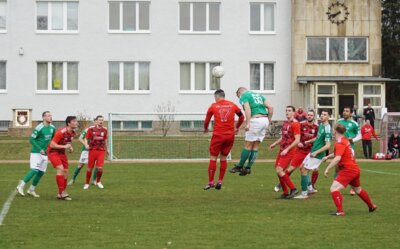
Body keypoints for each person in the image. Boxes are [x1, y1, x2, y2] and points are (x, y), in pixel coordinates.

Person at [323, 123, 377, 216]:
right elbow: (338, 153)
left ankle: (340, 211)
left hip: (348, 170)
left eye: (333, 129)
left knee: (334, 189)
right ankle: (371, 206)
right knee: (358, 190)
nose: (332, 131)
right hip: (355, 169)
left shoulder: (340, 143)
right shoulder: (344, 140)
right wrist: (327, 156)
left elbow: (337, 158)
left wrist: (327, 168)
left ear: (335, 131)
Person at [203, 89, 244, 190]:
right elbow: (242, 117)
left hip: (218, 135)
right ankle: (220, 181)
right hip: (230, 136)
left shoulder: (213, 106)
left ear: (217, 96)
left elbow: (207, 120)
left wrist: (205, 129)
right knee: (223, 158)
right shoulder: (232, 105)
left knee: (213, 158)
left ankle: (211, 182)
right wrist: (237, 127)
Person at [229, 87, 273, 176]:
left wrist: (248, 123)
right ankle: (248, 167)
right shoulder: (258, 95)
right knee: (255, 145)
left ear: (239, 93)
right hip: (264, 120)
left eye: (237, 96)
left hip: (255, 120)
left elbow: (247, 108)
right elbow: (270, 107)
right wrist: (268, 120)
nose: (238, 98)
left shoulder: (243, 96)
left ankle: (239, 166)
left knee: (248, 144)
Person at [273, 110, 319, 192]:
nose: (309, 116)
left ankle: (311, 187)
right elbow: (296, 135)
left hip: (311, 151)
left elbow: (318, 138)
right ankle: (282, 182)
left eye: (311, 115)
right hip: (300, 150)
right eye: (308, 115)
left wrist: (309, 143)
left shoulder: (317, 127)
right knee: (291, 169)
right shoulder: (301, 124)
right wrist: (299, 142)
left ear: (314, 117)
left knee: (314, 169)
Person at [16, 111, 56, 197]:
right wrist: (40, 149)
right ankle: (21, 185)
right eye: (48, 116)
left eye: (51, 115)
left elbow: (53, 139)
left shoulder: (52, 128)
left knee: (41, 172)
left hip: (45, 154)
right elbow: (31, 140)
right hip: (36, 152)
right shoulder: (39, 127)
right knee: (35, 169)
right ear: (44, 118)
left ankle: (31, 190)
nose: (50, 117)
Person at [294, 109, 331, 199]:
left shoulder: (327, 128)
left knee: (304, 170)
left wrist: (316, 152)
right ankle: (310, 188)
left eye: (325, 114)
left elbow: (328, 145)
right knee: (302, 167)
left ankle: (304, 193)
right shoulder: (321, 125)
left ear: (328, 117)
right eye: (321, 114)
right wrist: (308, 141)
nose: (322, 116)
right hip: (313, 151)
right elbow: (317, 138)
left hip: (317, 154)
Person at [269, 106, 300, 199]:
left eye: (289, 111)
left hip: (289, 151)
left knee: (279, 170)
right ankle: (286, 193)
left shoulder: (295, 124)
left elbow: (297, 140)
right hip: (282, 150)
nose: (287, 112)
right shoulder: (286, 123)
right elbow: (284, 137)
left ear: (294, 113)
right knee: (278, 171)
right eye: (286, 110)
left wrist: (287, 149)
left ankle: (293, 189)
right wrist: (275, 143)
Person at [48, 116, 78, 201]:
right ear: (69, 123)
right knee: (60, 169)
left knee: (65, 172)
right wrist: (65, 146)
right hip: (53, 152)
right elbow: (52, 144)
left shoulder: (73, 133)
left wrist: (70, 147)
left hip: (62, 153)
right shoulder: (61, 132)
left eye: (76, 121)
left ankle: (60, 194)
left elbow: (67, 142)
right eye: (74, 121)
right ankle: (62, 192)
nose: (76, 122)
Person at [337, 106, 361, 195]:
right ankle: (337, 185)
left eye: (347, 111)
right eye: (344, 110)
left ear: (351, 113)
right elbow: (335, 131)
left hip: (350, 148)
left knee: (349, 168)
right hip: (340, 147)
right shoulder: (339, 122)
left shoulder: (354, 123)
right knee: (337, 168)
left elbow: (359, 135)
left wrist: (352, 140)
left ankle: (352, 188)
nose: (344, 112)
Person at [83, 115, 108, 190]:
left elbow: (105, 140)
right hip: (92, 150)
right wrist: (86, 144)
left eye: (102, 120)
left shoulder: (105, 130)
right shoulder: (91, 129)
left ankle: (98, 182)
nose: (101, 121)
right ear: (96, 121)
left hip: (101, 150)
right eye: (99, 120)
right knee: (90, 168)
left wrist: (107, 150)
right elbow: (85, 138)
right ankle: (87, 183)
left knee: (100, 168)